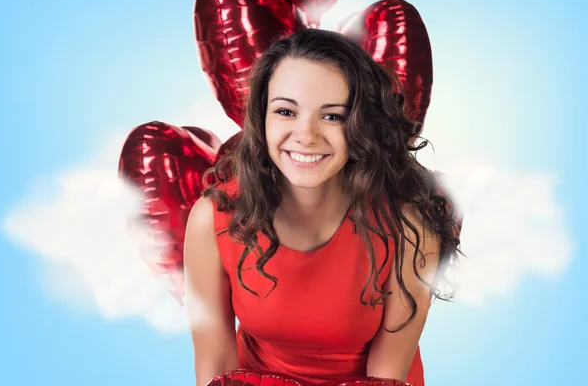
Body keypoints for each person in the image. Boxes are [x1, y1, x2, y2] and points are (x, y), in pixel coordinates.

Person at [183, 28, 461, 386]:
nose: (306, 135)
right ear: (261, 118)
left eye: (332, 116)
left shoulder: (409, 226)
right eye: (285, 111)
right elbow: (215, 368)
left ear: (362, 124)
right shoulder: (213, 218)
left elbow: (388, 374)